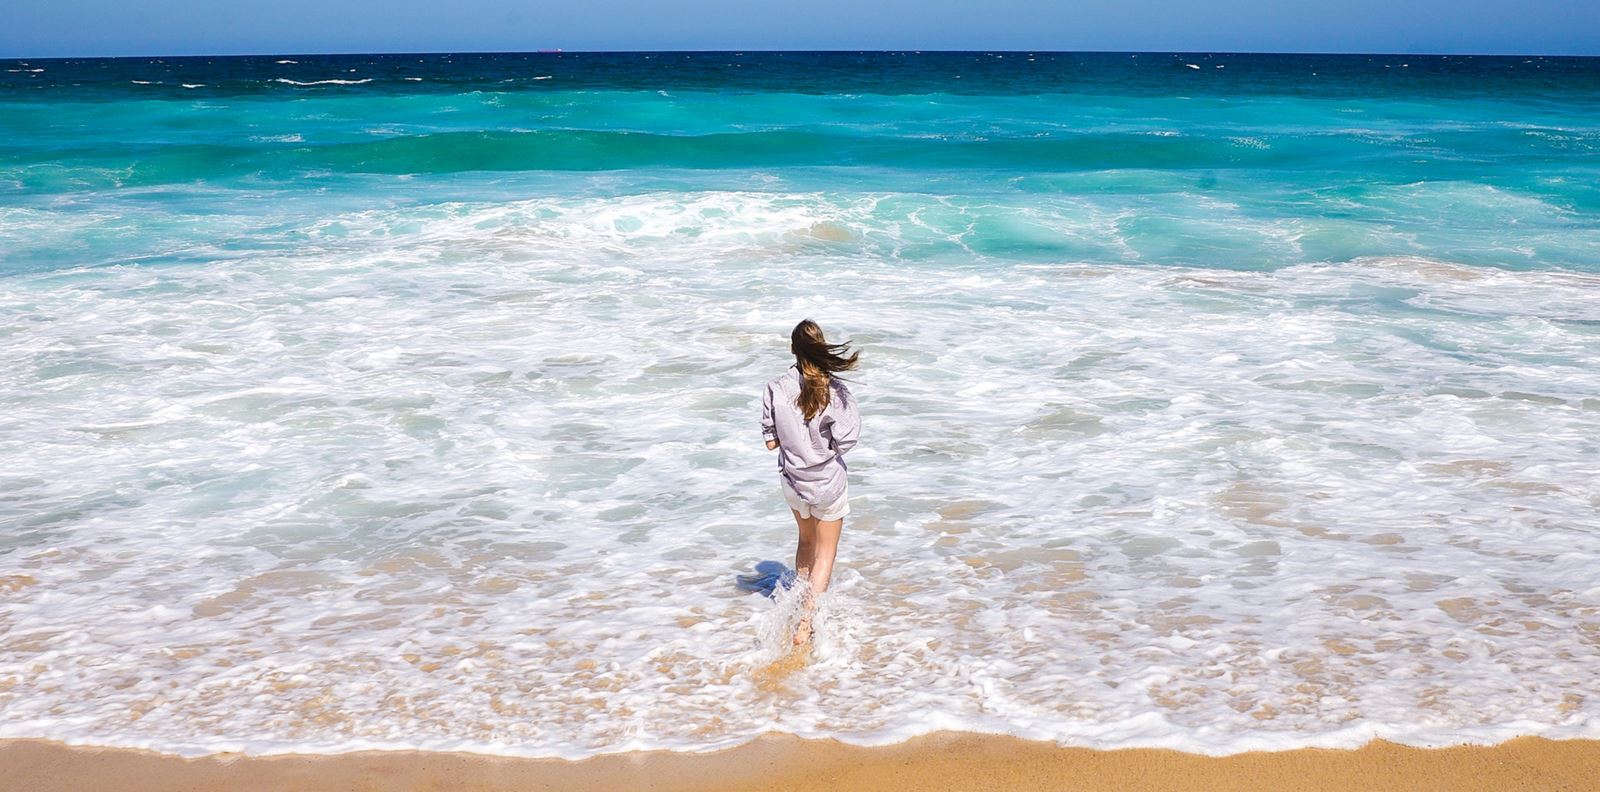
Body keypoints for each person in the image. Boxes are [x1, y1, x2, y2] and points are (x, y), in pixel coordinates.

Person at [759, 319, 861, 646]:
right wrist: (821, 447)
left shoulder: (775, 387)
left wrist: (795, 442)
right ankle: (806, 622)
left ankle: (797, 603)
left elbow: (771, 442)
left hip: (792, 481)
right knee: (826, 552)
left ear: (793, 349)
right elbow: (847, 441)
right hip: (827, 482)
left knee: (805, 541)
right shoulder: (835, 390)